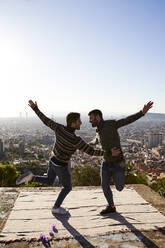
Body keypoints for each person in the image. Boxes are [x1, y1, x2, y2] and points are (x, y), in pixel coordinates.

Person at [16, 100, 120, 215]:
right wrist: (109, 153)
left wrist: (35, 109)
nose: (81, 123)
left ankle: (31, 177)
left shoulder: (59, 128)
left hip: (52, 161)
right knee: (67, 187)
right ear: (73, 123)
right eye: (79, 121)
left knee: (49, 180)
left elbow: (45, 120)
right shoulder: (76, 140)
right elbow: (91, 151)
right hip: (61, 165)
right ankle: (56, 207)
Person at [88, 101, 153, 215]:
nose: (90, 121)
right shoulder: (98, 129)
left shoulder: (110, 124)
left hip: (119, 162)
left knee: (119, 187)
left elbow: (126, 120)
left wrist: (141, 113)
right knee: (104, 185)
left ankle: (124, 173)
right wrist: (87, 144)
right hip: (106, 162)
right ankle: (111, 206)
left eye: (91, 118)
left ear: (98, 117)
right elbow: (96, 140)